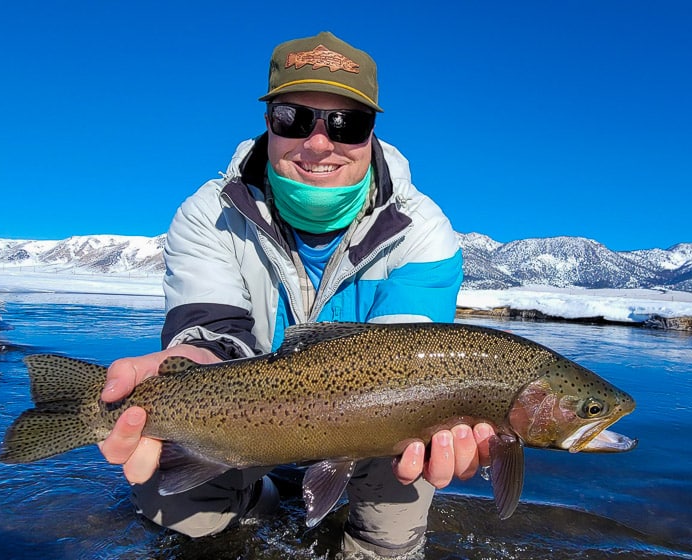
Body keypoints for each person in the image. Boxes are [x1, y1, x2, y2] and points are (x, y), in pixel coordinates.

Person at [97, 31, 494, 558]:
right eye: (294, 118)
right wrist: (181, 365)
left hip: (374, 419)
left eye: (346, 123)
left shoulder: (421, 233)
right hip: (243, 411)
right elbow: (212, 337)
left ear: (371, 132)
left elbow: (401, 368)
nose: (319, 143)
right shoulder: (209, 214)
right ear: (268, 123)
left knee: (390, 535)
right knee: (176, 512)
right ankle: (257, 497)